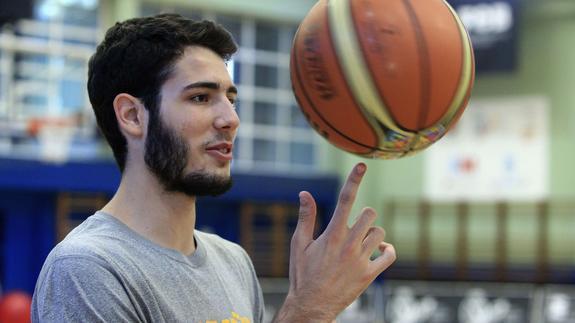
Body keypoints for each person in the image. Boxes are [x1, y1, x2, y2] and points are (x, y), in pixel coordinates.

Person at [31, 13, 396, 322]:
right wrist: (306, 311)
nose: (230, 119)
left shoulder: (233, 261)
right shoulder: (86, 269)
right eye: (201, 97)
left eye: (230, 99)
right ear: (132, 116)